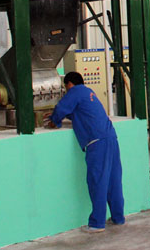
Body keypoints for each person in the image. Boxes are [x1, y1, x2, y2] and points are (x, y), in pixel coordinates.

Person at [44, 71, 125, 233]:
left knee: (98, 181)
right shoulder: (88, 92)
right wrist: (55, 115)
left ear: (69, 84)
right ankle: (118, 217)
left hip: (97, 142)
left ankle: (97, 223)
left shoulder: (75, 91)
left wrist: (53, 121)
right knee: (113, 181)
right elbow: (80, 112)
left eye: (66, 87)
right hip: (111, 138)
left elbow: (62, 108)